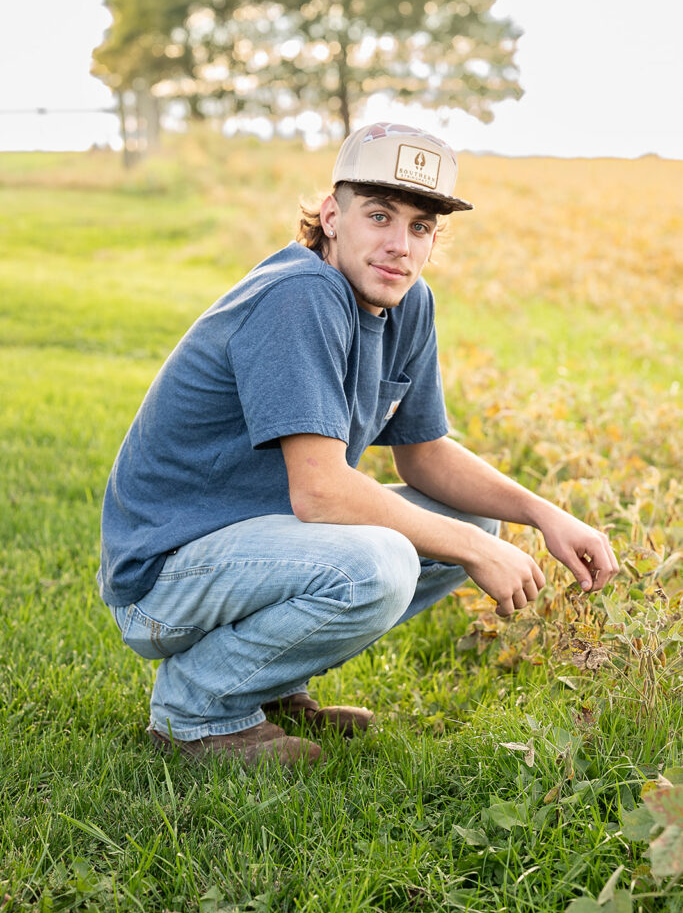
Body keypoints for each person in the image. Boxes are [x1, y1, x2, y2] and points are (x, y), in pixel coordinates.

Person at [98, 121, 619, 767]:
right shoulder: (301, 295)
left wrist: (541, 514)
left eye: (420, 227)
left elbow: (424, 455)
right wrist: (476, 550)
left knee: (471, 518)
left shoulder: (408, 305)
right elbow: (319, 492)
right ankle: (197, 711)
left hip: (243, 551)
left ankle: (266, 687)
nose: (399, 245)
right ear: (330, 215)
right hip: (161, 582)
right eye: (379, 216)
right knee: (380, 563)